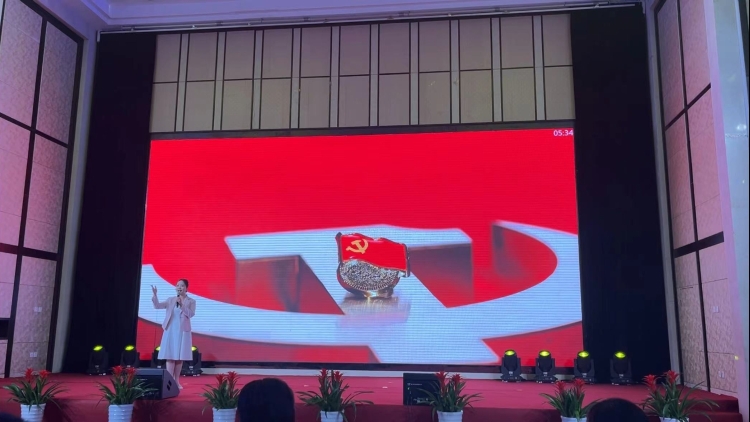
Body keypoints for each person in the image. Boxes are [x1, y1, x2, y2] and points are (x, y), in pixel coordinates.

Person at [151, 278, 196, 389]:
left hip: (182, 331)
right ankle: (169, 381)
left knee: (179, 357)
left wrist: (182, 305)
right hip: (170, 330)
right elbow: (157, 306)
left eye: (182, 285)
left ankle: (176, 381)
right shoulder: (171, 300)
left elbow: (191, 314)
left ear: (186, 288)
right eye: (177, 285)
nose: (179, 287)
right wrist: (155, 295)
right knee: (170, 355)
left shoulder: (191, 301)